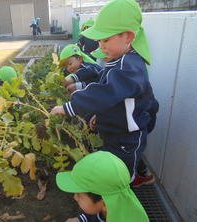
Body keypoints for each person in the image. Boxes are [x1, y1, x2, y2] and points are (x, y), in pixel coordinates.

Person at [51, 0, 159, 184]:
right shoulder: (120, 60)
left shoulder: (129, 66)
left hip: (126, 139)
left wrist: (70, 107)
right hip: (115, 134)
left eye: (106, 39)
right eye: (100, 40)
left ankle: (118, 207)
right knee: (111, 173)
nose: (101, 46)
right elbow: (116, 100)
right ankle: (106, 207)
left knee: (119, 181)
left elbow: (106, 92)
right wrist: (99, 116)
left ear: (128, 36)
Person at [56, 151, 149, 222]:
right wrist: (81, 219)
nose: (75, 197)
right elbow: (96, 214)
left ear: (105, 203)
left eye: (79, 195)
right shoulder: (110, 207)